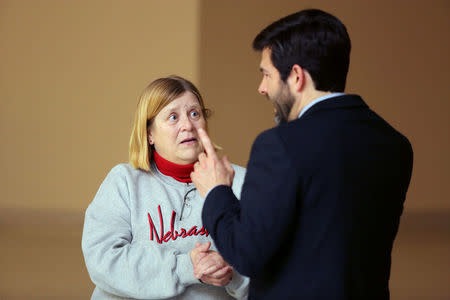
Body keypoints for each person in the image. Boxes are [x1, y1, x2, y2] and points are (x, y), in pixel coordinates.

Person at [191, 9, 413, 300]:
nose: (262, 88)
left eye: (267, 74)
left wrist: (217, 191)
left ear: (296, 76)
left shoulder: (279, 145)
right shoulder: (395, 144)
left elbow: (248, 254)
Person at [82, 75, 249, 300]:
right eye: (173, 117)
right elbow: (103, 260)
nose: (188, 125)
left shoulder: (240, 181)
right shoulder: (123, 181)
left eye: (194, 114)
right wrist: (187, 267)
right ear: (149, 133)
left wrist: (231, 270)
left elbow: (271, 269)